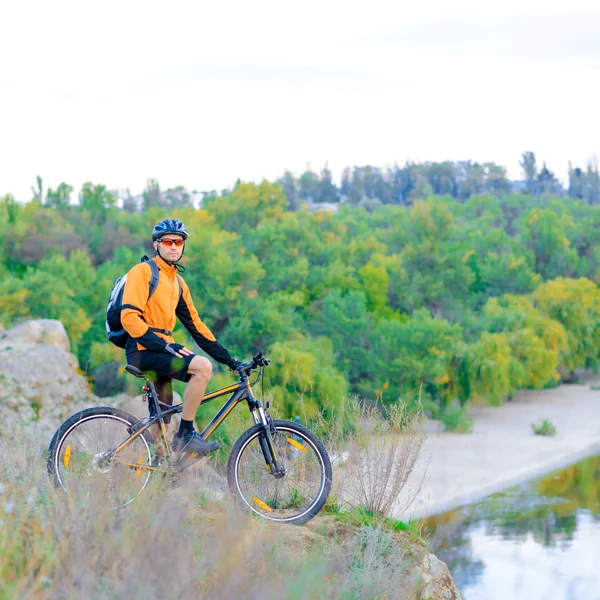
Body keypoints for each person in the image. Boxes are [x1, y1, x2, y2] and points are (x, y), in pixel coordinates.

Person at [121, 218, 241, 455]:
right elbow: (129, 317)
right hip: (143, 350)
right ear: (157, 245)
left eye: (179, 242)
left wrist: (231, 361)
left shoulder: (177, 283)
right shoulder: (143, 272)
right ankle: (185, 433)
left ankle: (160, 469)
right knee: (202, 368)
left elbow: (196, 327)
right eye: (168, 241)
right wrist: (165, 346)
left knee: (163, 416)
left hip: (160, 352)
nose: (174, 246)